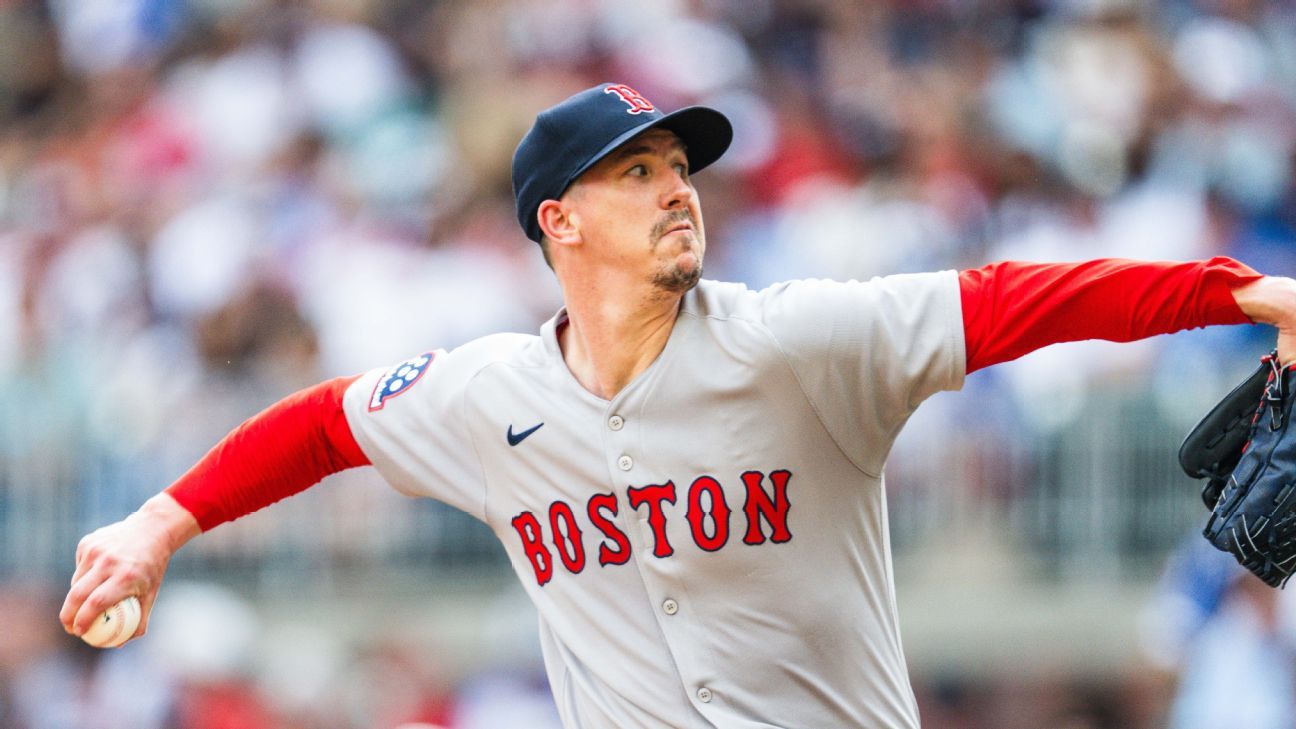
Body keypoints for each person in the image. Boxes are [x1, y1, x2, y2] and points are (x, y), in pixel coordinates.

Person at [60, 83, 1296, 728]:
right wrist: (160, 523)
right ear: (559, 221)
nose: (677, 189)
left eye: (680, 167)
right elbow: (328, 423)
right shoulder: (489, 395)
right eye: (637, 171)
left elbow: (1014, 302)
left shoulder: (797, 341)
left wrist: (1247, 294)